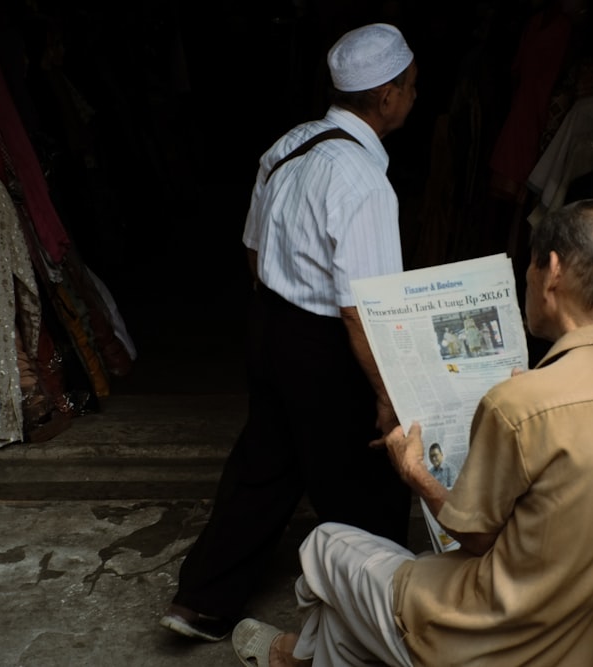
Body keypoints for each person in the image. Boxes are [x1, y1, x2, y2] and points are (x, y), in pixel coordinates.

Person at [232, 198, 593, 666]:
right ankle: (304, 658)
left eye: (530, 268)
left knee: (324, 545)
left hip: (479, 636)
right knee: (345, 626)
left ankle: (297, 655)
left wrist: (416, 473)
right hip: (568, 642)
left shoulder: (522, 404)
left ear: (551, 270)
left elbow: (473, 539)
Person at [159, 23, 419, 642]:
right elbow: (363, 308)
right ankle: (385, 616)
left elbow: (253, 249)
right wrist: (387, 396)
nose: (414, 98)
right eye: (411, 88)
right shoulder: (363, 182)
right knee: (368, 486)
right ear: (386, 97)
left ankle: (201, 602)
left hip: (271, 323)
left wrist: (279, 315)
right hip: (326, 344)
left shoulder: (290, 145)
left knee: (266, 463)